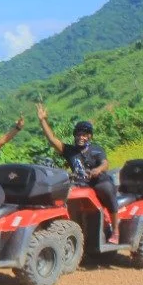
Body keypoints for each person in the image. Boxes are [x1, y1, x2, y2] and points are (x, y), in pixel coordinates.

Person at [37, 103, 120, 243]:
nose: (81, 137)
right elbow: (52, 140)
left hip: (97, 181)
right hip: (79, 183)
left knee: (106, 189)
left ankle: (116, 231)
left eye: (84, 134)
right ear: (75, 136)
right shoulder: (70, 151)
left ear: (89, 137)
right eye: (78, 134)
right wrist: (42, 120)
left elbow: (105, 163)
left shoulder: (96, 150)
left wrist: (97, 170)